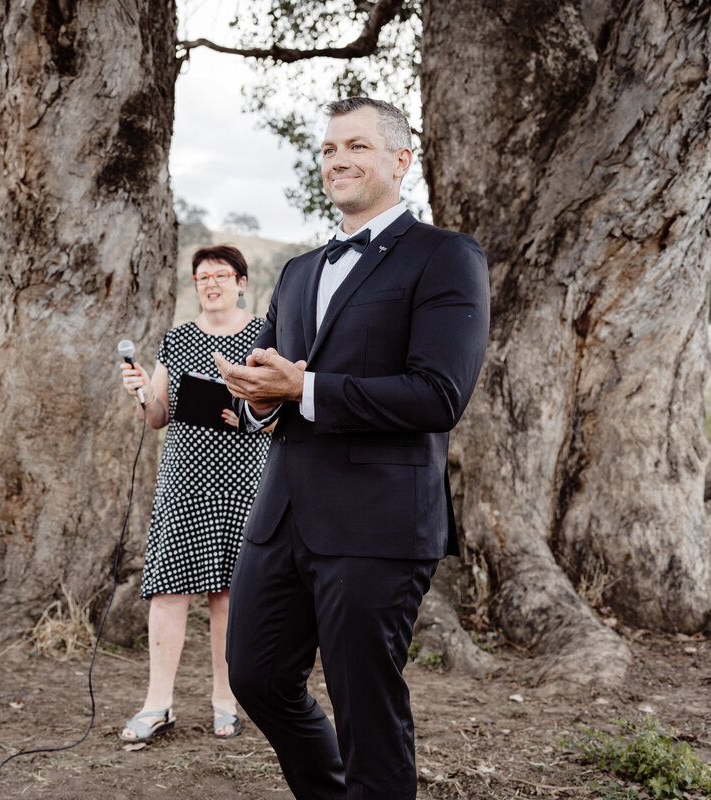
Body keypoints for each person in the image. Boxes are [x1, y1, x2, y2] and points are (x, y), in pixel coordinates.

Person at [211, 97, 490, 799]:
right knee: (255, 676)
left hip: (379, 521)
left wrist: (304, 386)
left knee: (366, 708)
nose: (338, 160)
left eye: (357, 147)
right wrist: (258, 397)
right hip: (281, 517)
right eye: (330, 149)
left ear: (400, 161)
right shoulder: (301, 271)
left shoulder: (445, 257)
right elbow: (273, 384)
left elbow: (438, 395)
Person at [118, 244, 272, 743]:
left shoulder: (263, 338)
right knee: (167, 590)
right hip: (184, 478)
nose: (210, 283)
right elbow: (158, 415)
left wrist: (246, 413)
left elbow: (278, 412)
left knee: (228, 594)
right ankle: (157, 705)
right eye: (202, 276)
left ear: (241, 283)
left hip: (243, 478)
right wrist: (141, 390)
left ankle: (225, 701)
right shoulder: (178, 339)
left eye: (221, 275)